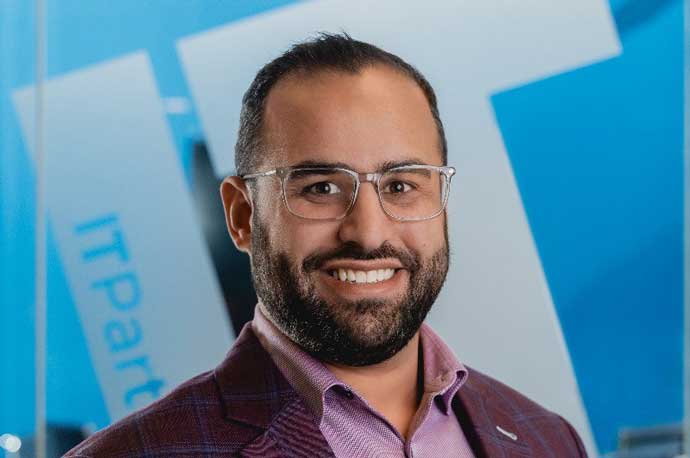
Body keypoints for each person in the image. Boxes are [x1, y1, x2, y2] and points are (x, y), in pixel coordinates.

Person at [65, 33, 587, 458]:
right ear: (243, 216)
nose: (368, 232)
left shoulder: (549, 440)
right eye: (320, 188)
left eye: (400, 186)